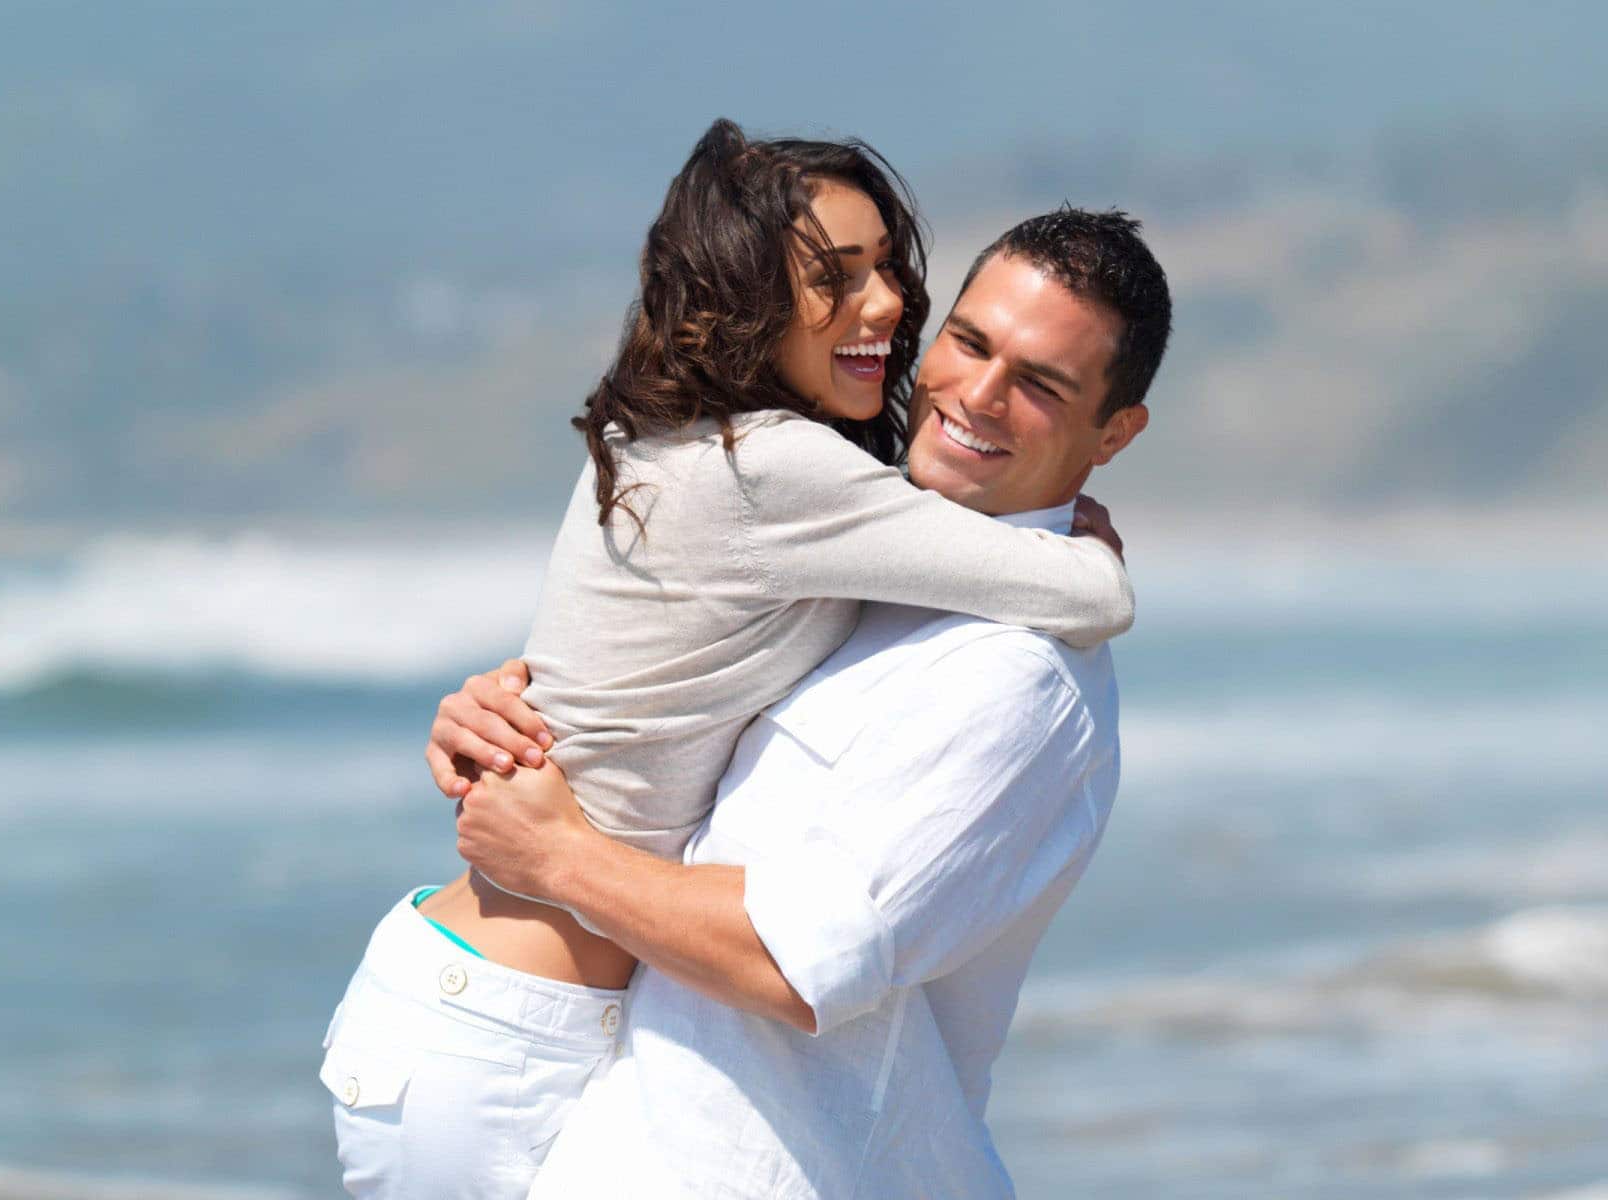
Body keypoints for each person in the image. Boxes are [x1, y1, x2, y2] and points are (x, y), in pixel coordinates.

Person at [320, 119, 1134, 1200]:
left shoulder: (707, 448)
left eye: (887, 265)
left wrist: (504, 729)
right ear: (740, 300)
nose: (887, 303)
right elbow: (1085, 595)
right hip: (511, 1025)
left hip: (485, 994)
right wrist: (1089, 546)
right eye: (834, 279)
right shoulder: (775, 473)